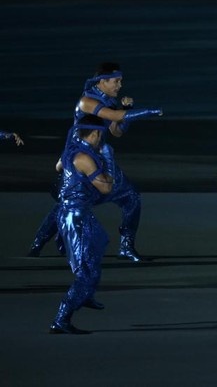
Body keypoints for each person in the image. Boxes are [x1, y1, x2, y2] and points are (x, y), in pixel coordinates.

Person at [27, 62, 162, 261]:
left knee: (131, 197)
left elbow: (116, 131)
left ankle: (126, 246)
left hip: (100, 156)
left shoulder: (109, 102)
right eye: (116, 81)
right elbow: (115, 116)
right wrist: (146, 112)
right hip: (79, 157)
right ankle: (38, 243)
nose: (120, 85)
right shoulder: (86, 101)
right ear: (102, 82)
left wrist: (128, 110)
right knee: (70, 203)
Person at [49, 115, 114, 334]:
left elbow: (58, 166)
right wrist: (108, 160)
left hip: (74, 212)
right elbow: (106, 188)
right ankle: (62, 318)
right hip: (76, 216)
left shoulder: (72, 151)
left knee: (100, 241)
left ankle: (86, 294)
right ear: (95, 134)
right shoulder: (85, 157)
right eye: (100, 136)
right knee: (86, 269)